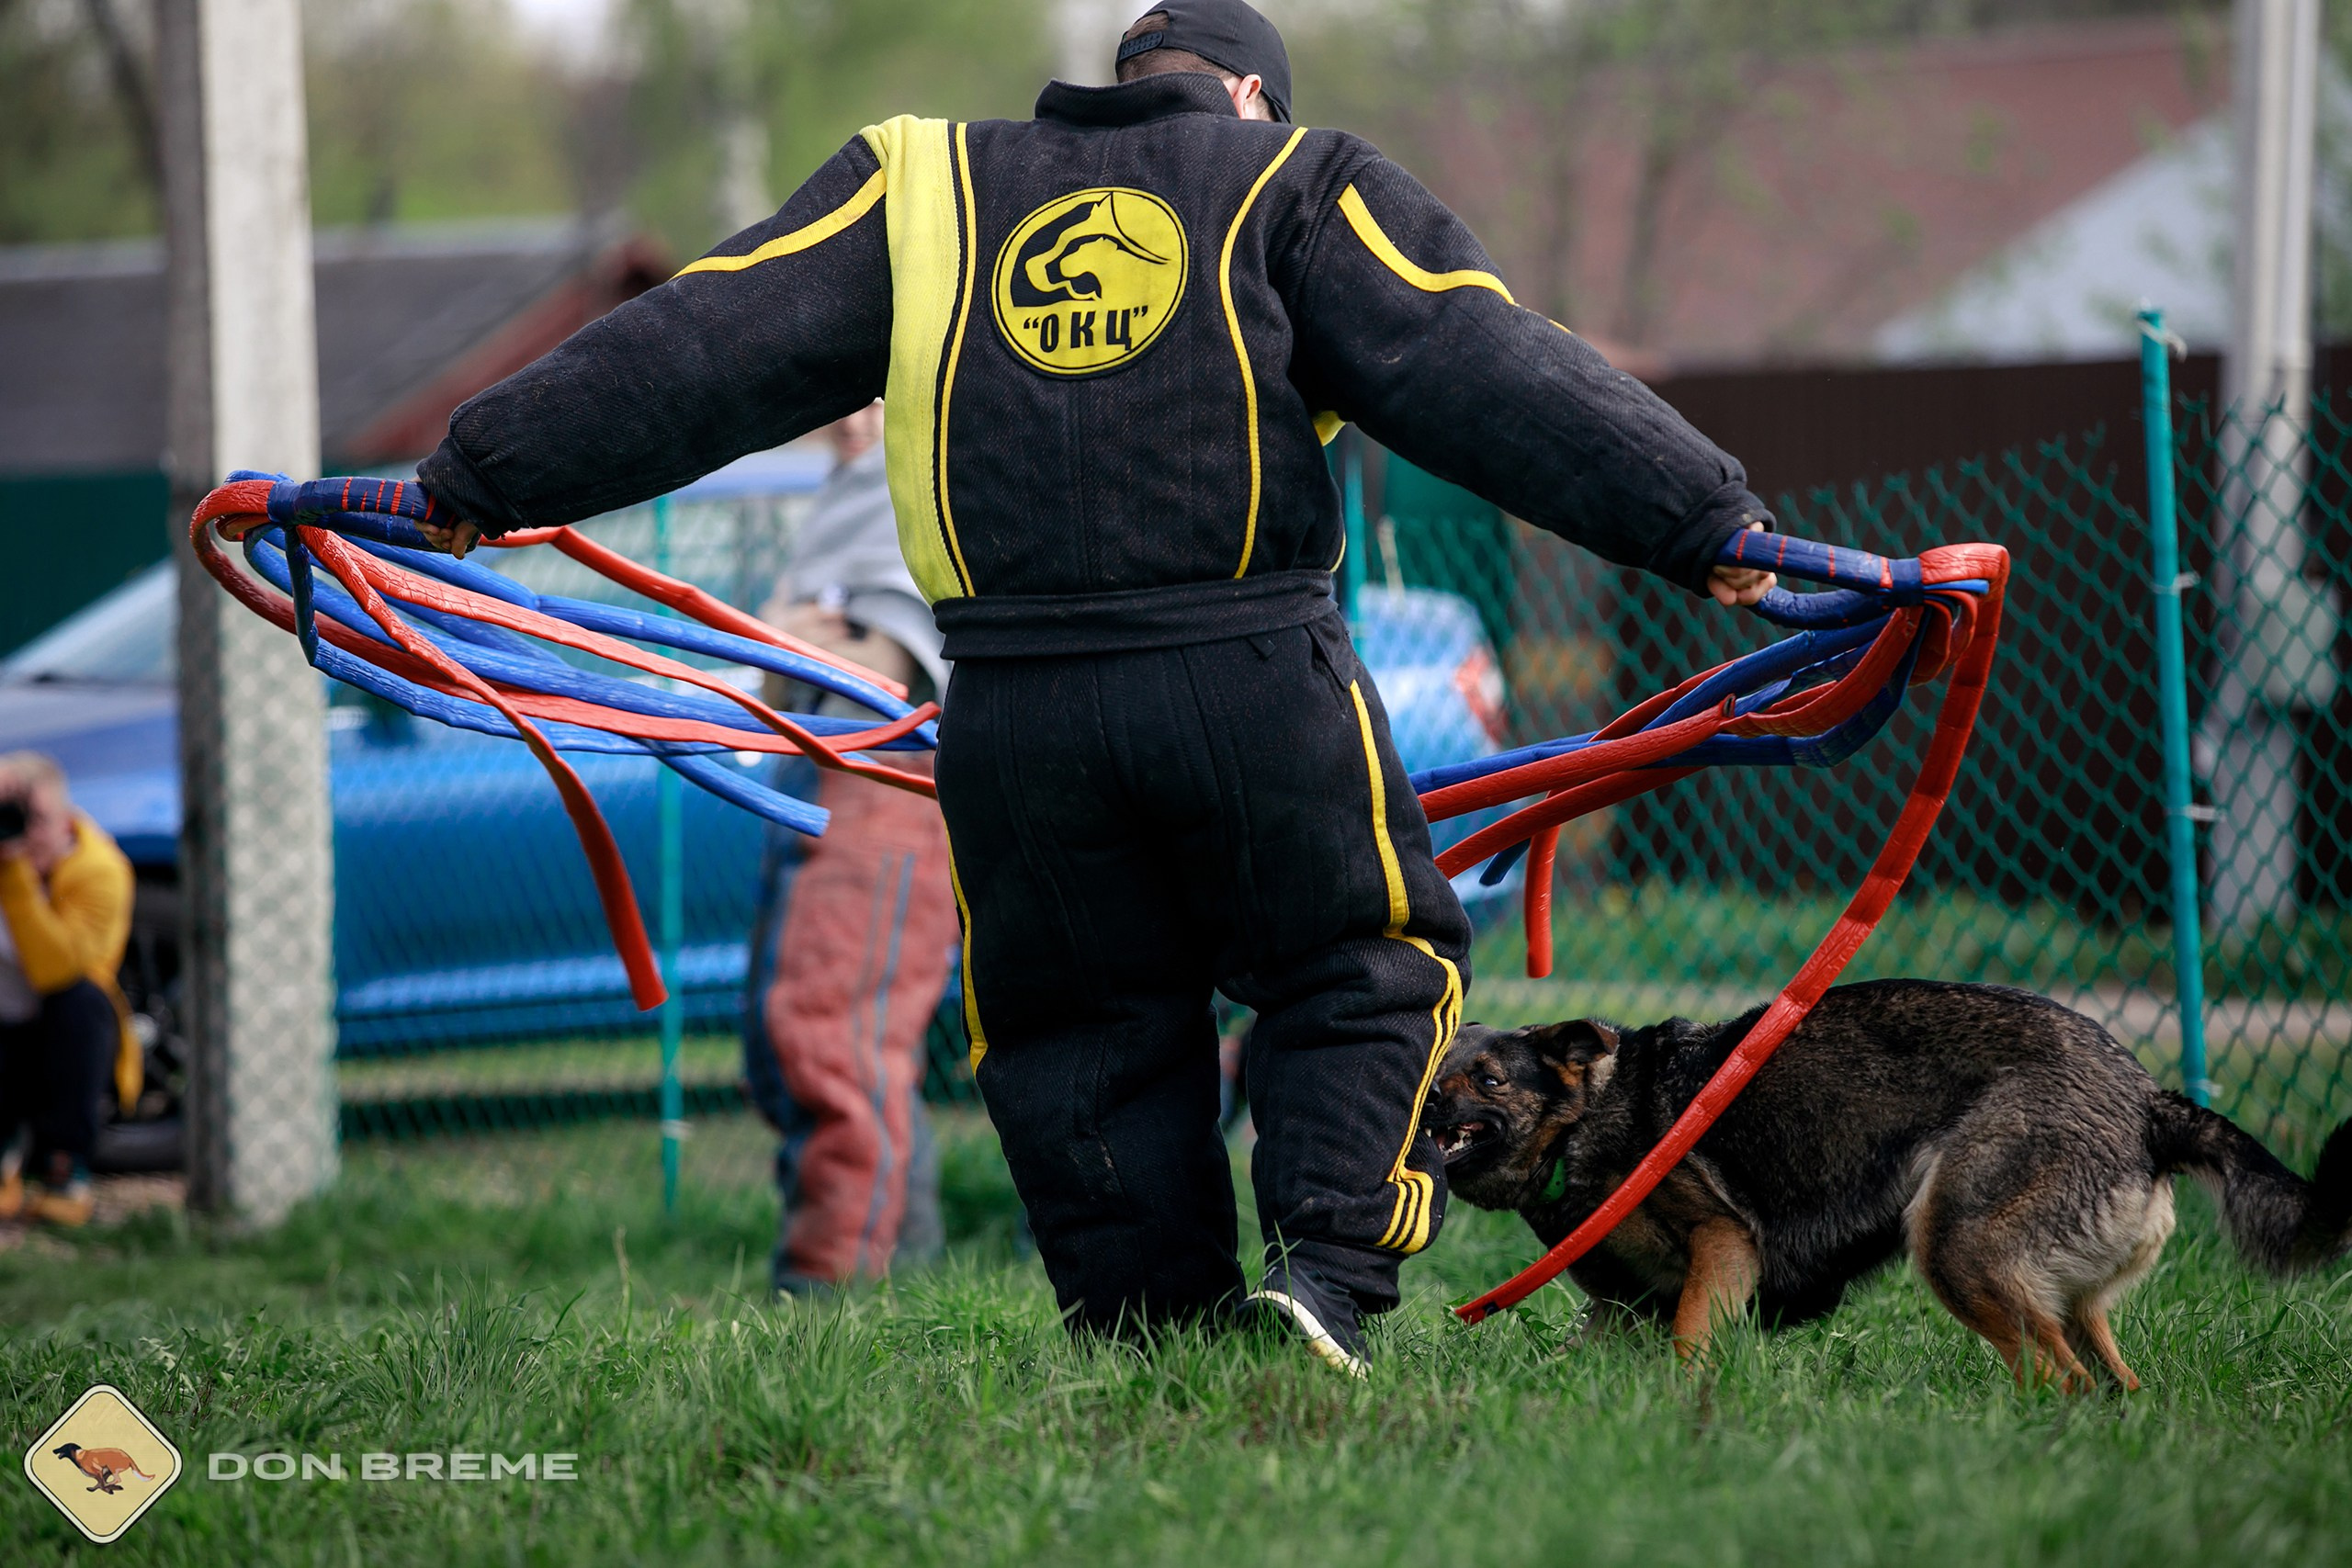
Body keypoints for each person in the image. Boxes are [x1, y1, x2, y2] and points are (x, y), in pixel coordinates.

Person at [345, 0, 1777, 1372]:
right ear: (1250, 96)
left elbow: (707, 342)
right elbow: (1485, 361)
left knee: (1075, 1020)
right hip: (1250, 667)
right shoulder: (1299, 175)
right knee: (1358, 964)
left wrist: (475, 481)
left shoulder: (923, 185)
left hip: (1015, 709)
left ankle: (1148, 1330)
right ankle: (1328, 1276)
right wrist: (1705, 518)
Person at [741, 400, 959, 1294]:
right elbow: (782, 654)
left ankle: (831, 1287)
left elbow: (880, 660)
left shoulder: (919, 468)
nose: (846, 419)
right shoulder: (855, 488)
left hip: (884, 778)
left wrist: (786, 634)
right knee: (794, 1036)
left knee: (833, 1032)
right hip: (824, 770)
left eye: (872, 394)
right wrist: (783, 638)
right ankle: (893, 1265)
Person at [0, 752, 140, 1228]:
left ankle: (65, 1169)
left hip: (55, 1043)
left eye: (35, 819)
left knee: (81, 1002)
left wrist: (14, 872)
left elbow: (56, 971)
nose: (24, 831)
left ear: (66, 818)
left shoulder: (99, 869)